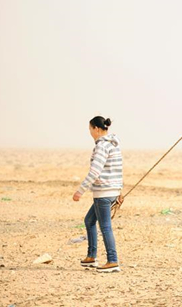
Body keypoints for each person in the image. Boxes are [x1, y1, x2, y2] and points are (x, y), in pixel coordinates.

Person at [73, 116, 123, 273]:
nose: (90, 132)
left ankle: (112, 261)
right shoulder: (114, 145)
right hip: (111, 191)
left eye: (89, 129)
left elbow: (95, 171)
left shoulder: (102, 146)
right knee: (89, 220)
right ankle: (91, 256)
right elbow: (117, 170)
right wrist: (119, 191)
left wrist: (79, 191)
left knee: (105, 227)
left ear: (96, 128)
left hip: (103, 193)